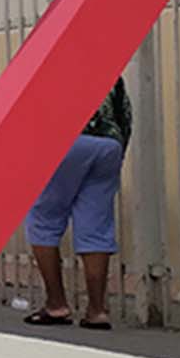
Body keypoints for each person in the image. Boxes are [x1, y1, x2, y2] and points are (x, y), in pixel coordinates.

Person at [24, 79, 132, 330]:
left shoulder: (49, 63)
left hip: (65, 140)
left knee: (44, 219)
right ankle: (97, 310)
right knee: (96, 225)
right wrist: (117, 152)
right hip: (108, 145)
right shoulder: (110, 69)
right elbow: (124, 114)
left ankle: (56, 305)